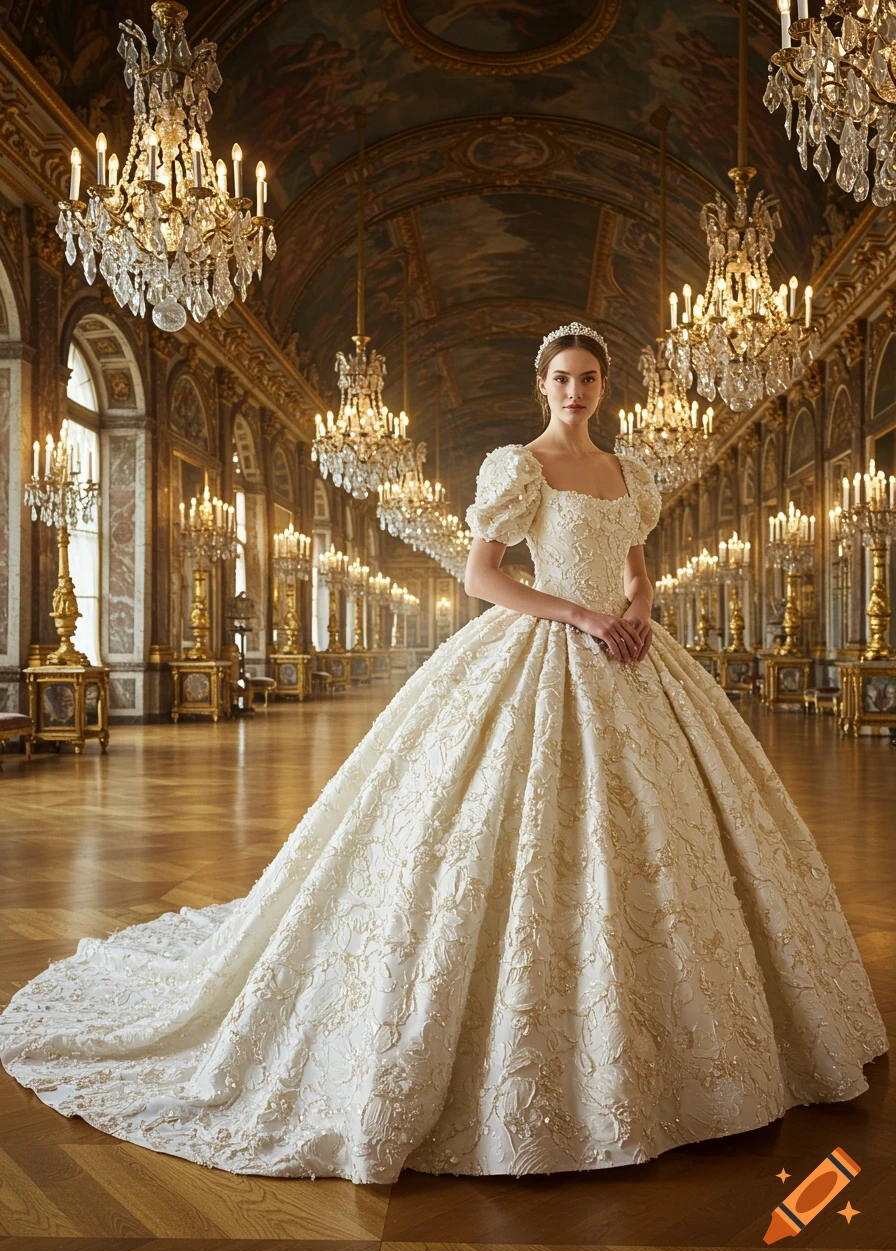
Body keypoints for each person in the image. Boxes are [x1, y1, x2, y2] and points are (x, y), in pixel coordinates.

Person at [0, 323, 887, 1186]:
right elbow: (481, 577)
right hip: (547, 642)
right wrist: (578, 615)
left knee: (669, 831)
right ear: (543, 387)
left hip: (631, 651)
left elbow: (635, 560)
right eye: (563, 379)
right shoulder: (520, 467)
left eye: (589, 379)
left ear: (604, 388)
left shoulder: (629, 471)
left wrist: (639, 606)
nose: (576, 392)